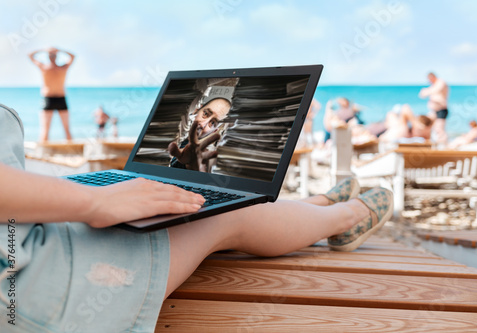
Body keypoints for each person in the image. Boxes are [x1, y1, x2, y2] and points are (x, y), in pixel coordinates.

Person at [0, 103, 393, 332]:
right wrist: (93, 202)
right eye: (205, 114)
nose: (208, 122)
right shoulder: (188, 138)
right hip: (21, 286)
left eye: (216, 120)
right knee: (226, 215)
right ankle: (348, 215)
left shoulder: (212, 141)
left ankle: (315, 204)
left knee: (223, 201)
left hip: (21, 231)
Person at [168, 97, 231, 172]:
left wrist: (189, 166)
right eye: (205, 114)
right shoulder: (171, 125)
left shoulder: (203, 155)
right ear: (196, 110)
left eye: (213, 123)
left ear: (214, 131)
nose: (203, 124)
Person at [29, 47, 75, 142]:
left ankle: (73, 151)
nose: (52, 56)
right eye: (51, 55)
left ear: (56, 56)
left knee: (67, 129)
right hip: (48, 99)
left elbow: (73, 56)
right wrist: (44, 49)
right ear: (49, 57)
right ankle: (42, 153)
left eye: (53, 55)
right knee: (45, 130)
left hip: (61, 98)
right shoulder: (44, 67)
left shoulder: (62, 68)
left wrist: (59, 49)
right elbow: (30, 55)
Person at [419, 72, 449, 144]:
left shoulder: (440, 82)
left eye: (429, 79)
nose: (429, 81)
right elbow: (422, 94)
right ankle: (430, 142)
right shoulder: (434, 85)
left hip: (441, 110)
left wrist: (426, 91)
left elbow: (435, 90)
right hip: (434, 111)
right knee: (426, 124)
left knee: (439, 129)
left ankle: (444, 144)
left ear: (432, 77)